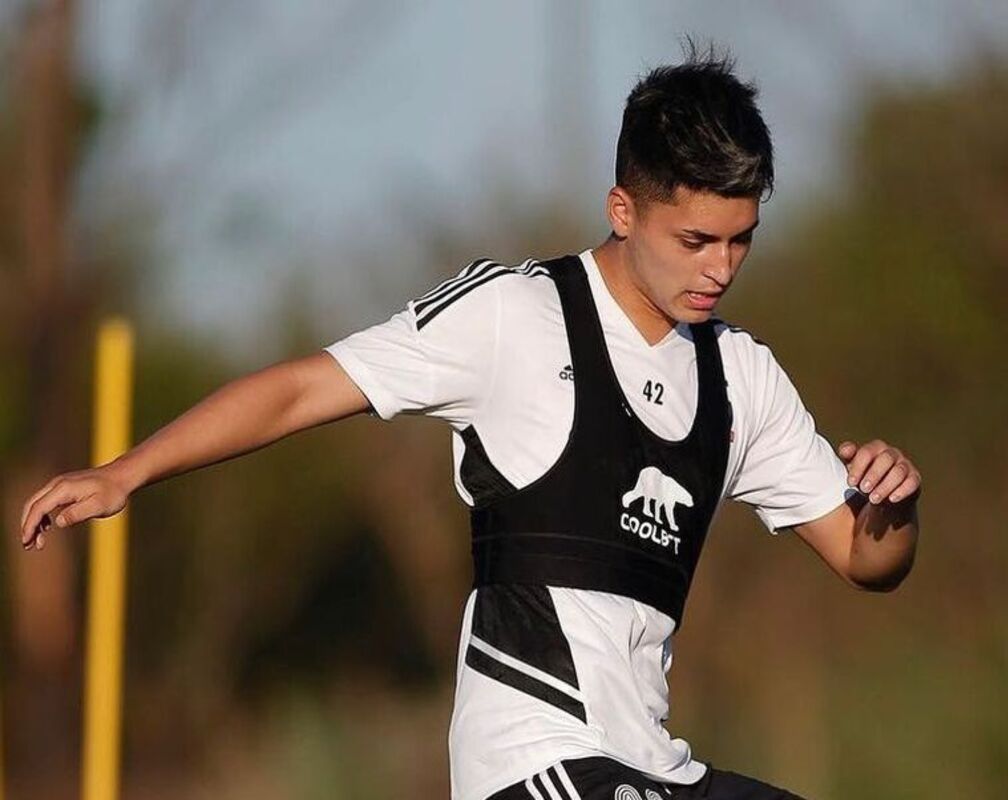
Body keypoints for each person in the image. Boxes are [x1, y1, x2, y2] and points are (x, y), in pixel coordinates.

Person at [18, 48, 920, 800]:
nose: (721, 268)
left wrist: (891, 506)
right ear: (624, 209)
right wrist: (125, 472)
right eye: (695, 241)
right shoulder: (513, 318)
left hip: (651, 768)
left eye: (741, 240)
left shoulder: (740, 376)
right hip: (533, 763)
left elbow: (864, 558)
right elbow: (299, 389)